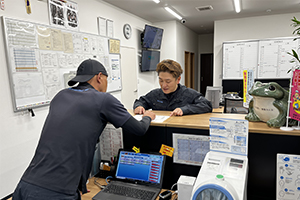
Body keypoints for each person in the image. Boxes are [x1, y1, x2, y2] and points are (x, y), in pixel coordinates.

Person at [12, 59, 155, 200]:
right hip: (57, 192)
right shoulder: (104, 100)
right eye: (107, 79)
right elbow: (139, 129)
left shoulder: (60, 96)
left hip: (25, 185)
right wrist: (147, 116)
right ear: (99, 77)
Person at [133, 59, 212, 116]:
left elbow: (207, 105)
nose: (164, 85)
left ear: (178, 79)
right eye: (161, 80)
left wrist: (183, 110)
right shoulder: (155, 94)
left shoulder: (189, 94)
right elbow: (141, 101)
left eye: (168, 81)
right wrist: (139, 107)